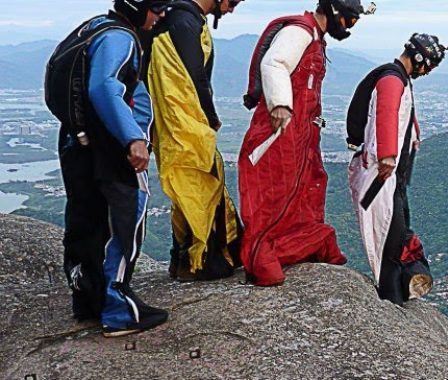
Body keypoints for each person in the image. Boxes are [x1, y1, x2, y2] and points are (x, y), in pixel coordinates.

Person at [45, 0, 170, 337]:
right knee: (125, 221)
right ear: (136, 6)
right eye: (156, 6)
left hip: (77, 143)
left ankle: (87, 299)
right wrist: (133, 138)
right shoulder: (121, 37)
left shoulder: (92, 28)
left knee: (86, 221)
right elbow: (104, 87)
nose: (161, 14)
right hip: (110, 147)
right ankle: (118, 311)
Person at [237, 0, 374, 286]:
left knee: (305, 188)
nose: (349, 27)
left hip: (300, 132)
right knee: (275, 192)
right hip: (281, 129)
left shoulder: (314, 37)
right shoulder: (300, 31)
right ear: (335, 12)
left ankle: (294, 248)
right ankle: (263, 258)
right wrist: (280, 104)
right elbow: (274, 62)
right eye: (350, 20)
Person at [346, 33, 448, 304]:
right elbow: (385, 112)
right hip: (382, 174)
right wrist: (386, 155)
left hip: (392, 175)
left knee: (396, 233)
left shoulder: (398, 79)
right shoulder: (392, 80)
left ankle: (401, 288)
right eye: (429, 66)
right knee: (388, 235)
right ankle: (391, 295)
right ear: (419, 58)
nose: (428, 72)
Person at [146, 0, 244, 281]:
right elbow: (195, 77)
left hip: (173, 124)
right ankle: (200, 261)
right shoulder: (184, 22)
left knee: (189, 188)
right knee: (199, 185)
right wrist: (210, 115)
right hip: (185, 123)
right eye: (232, 2)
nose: (230, 10)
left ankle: (185, 259)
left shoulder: (175, 19)